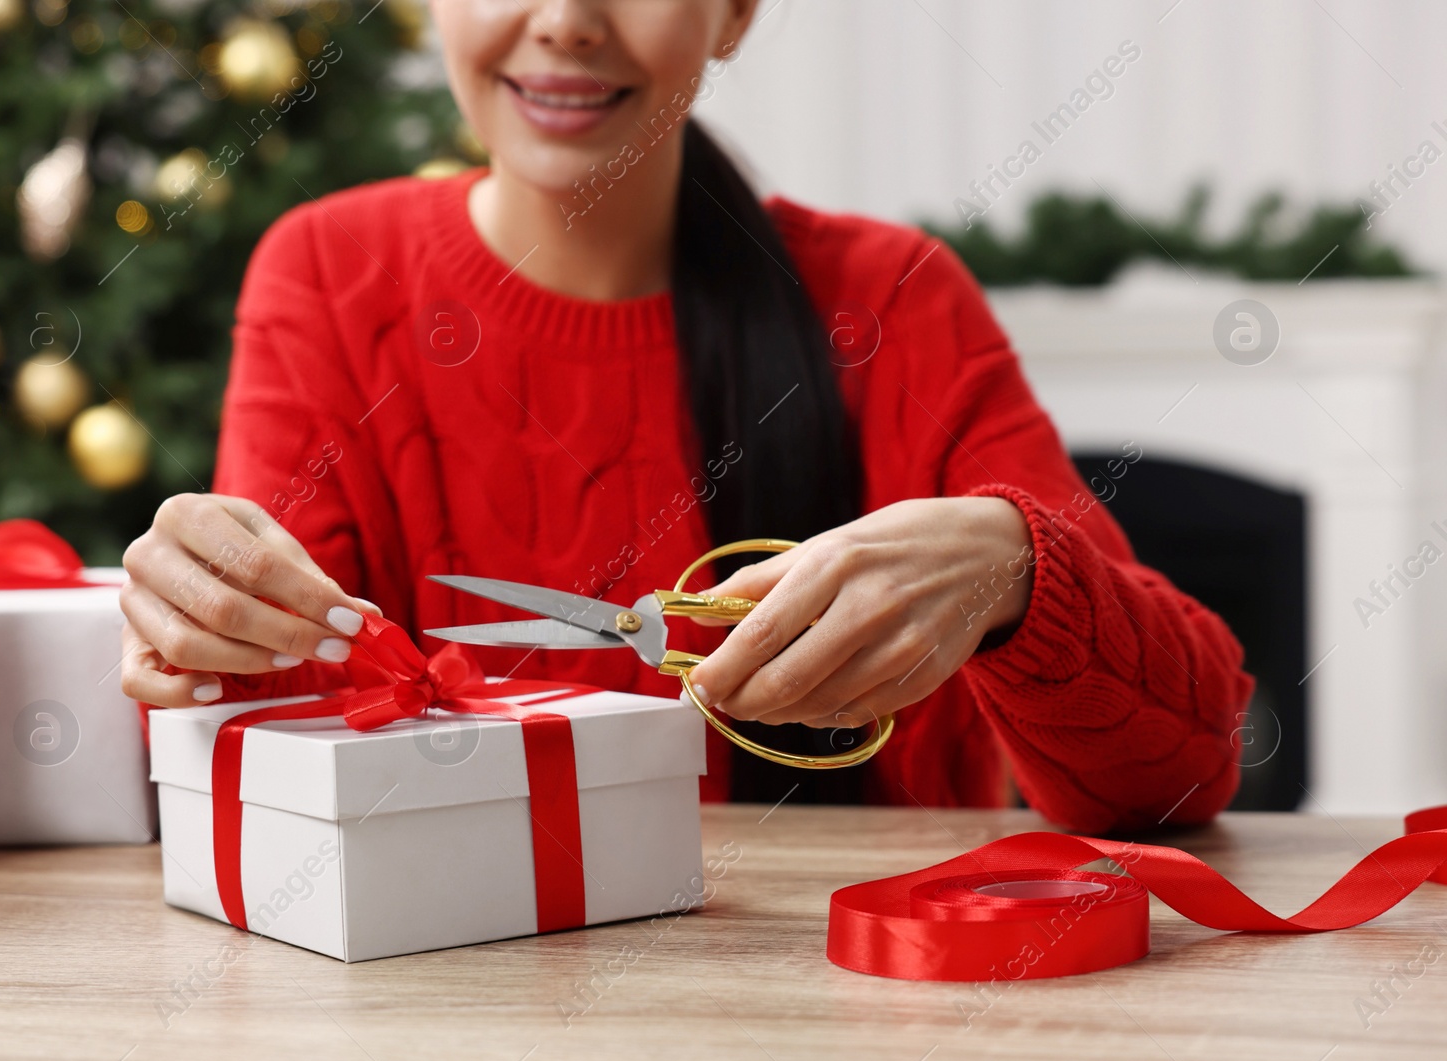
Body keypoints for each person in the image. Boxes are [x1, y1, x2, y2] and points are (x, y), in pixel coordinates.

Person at [119, 0, 1254, 833]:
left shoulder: (892, 301)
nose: (564, 22)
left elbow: (1189, 769)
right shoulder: (326, 272)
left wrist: (1020, 577)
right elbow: (260, 763)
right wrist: (198, 619)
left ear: (735, 15)